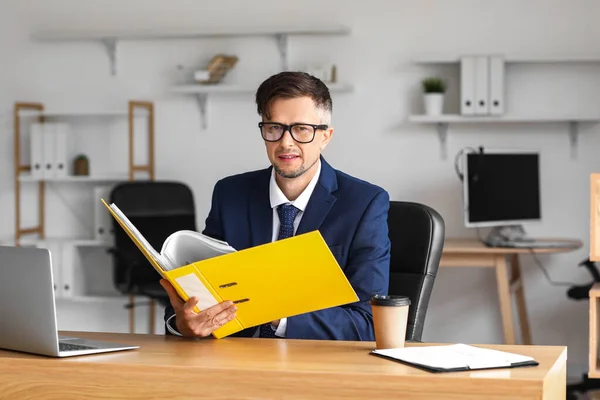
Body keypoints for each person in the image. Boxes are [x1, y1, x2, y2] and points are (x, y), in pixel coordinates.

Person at [161, 71, 390, 340]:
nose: (286, 142)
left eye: (301, 129)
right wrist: (182, 323)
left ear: (325, 137)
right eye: (274, 128)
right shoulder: (230, 194)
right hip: (234, 361)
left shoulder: (364, 204)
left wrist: (278, 315)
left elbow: (370, 322)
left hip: (318, 365)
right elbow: (200, 293)